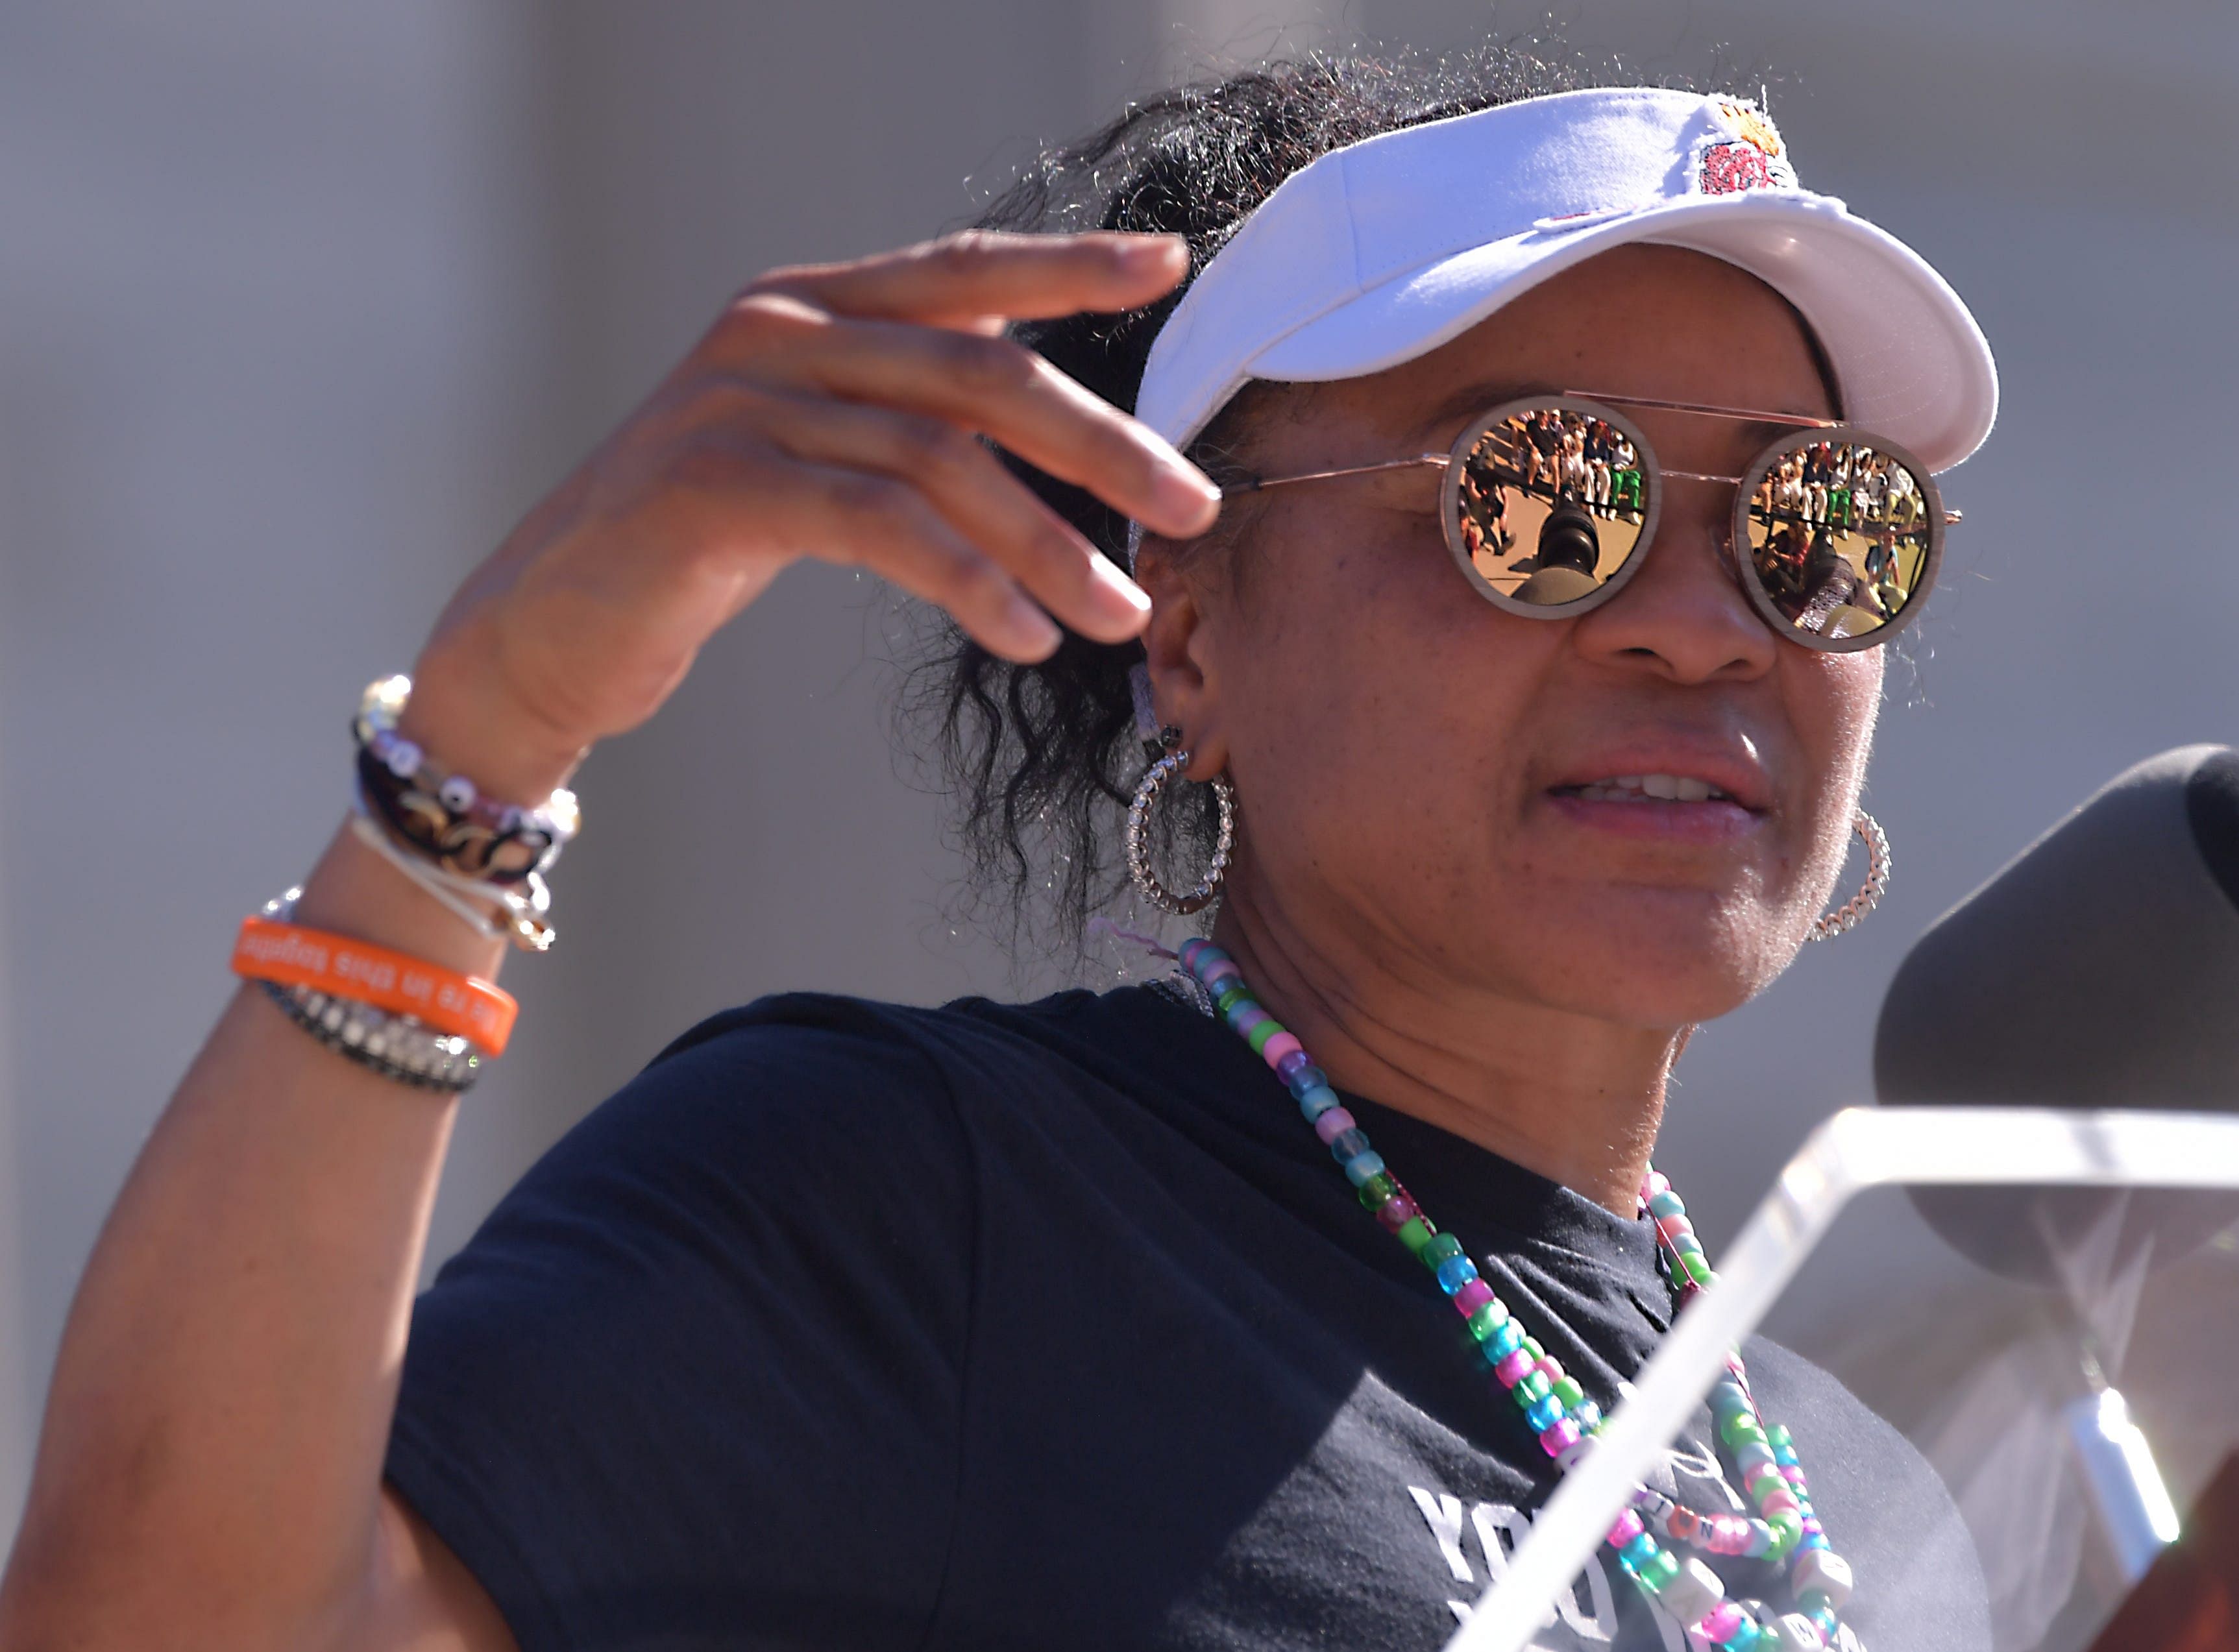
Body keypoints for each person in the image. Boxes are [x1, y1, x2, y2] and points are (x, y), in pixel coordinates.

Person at [0, 60, 1998, 1652]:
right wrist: (480, 747)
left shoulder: (1877, 1500)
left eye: (1824, 528)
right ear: (1193, 630)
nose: (1707, 621)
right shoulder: (924, 1205)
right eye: (1543, 498)